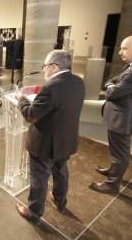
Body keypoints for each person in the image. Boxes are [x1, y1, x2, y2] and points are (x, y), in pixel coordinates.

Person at [15, 50, 85, 224]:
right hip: (66, 140)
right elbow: (62, 97)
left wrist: (21, 98)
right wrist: (37, 89)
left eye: (45, 66)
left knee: (39, 178)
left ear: (54, 67)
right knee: (61, 172)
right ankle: (60, 201)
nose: (44, 69)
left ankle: (34, 213)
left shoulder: (51, 88)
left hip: (45, 144)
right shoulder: (78, 82)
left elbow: (30, 115)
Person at [89, 34, 132, 194]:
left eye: (125, 48)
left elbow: (112, 92)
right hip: (120, 116)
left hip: (123, 118)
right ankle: (113, 171)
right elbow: (111, 81)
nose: (120, 52)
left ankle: (112, 184)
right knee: (117, 150)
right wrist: (111, 85)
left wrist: (111, 87)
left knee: (120, 154)